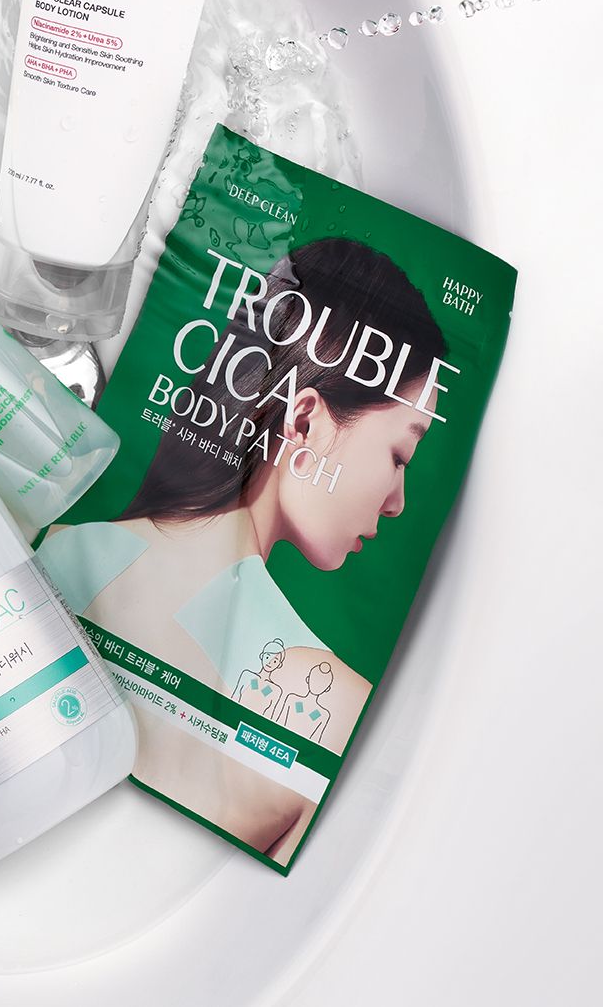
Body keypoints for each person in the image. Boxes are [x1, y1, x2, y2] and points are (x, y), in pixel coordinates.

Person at [38, 238, 446, 865]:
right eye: (400, 455)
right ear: (303, 421)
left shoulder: (59, 550)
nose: (397, 501)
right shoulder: (333, 710)